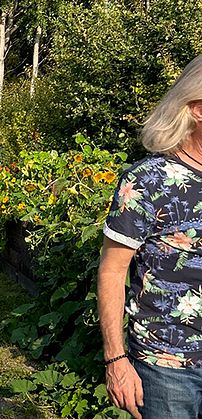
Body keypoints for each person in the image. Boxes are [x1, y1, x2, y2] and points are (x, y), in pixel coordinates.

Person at [98, 55, 202, 418]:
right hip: (167, 367)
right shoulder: (148, 181)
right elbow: (112, 271)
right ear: (197, 109)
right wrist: (116, 359)